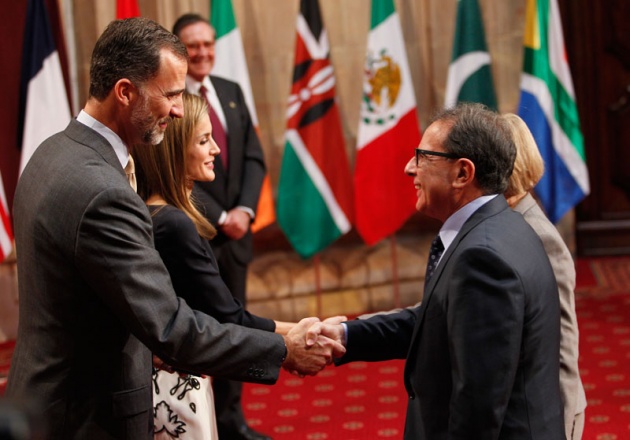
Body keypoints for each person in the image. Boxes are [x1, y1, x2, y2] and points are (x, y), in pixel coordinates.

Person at [6, 17, 343, 440]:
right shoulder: (101, 191)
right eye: (170, 95)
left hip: (41, 398)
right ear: (125, 92)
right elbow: (170, 328)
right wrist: (284, 350)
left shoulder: (52, 151)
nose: (180, 110)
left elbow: (89, 297)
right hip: (83, 417)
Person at [306, 103, 566, 439]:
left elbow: (478, 406)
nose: (408, 168)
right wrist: (345, 336)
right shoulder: (501, 226)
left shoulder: (483, 258)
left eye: (423, 157)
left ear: (462, 173)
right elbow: (436, 320)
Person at [133, 93, 311, 439]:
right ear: (175, 150)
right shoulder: (174, 224)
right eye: (204, 140)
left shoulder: (154, 212)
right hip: (173, 394)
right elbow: (227, 318)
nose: (216, 149)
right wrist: (304, 332)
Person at [171, 13, 270, 440]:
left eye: (208, 44)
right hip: (195, 235)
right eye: (192, 46)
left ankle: (232, 420)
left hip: (238, 239)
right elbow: (173, 169)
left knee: (234, 329)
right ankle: (199, 425)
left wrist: (245, 210)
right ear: (178, 50)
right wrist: (221, 217)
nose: (203, 53)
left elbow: (253, 156)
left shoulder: (230, 91)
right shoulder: (171, 101)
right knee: (200, 336)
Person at [503, 113, 586, 440]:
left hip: (550, 416)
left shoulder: (541, 235)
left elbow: (564, 342)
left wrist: (561, 426)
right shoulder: (506, 223)